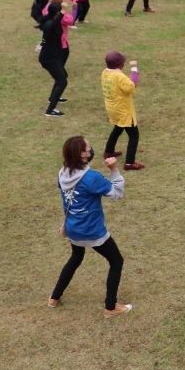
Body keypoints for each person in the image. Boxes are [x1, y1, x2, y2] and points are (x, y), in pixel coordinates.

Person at [50, 135, 131, 316]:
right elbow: (117, 194)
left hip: (73, 228)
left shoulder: (62, 173)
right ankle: (111, 307)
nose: (91, 149)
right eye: (88, 148)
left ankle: (54, 297)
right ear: (81, 155)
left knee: (76, 258)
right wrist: (113, 169)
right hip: (91, 231)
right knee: (116, 261)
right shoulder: (91, 177)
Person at [101, 52, 144, 171]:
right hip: (123, 110)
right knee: (134, 135)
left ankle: (108, 152)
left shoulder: (105, 72)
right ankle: (129, 163)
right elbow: (131, 86)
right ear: (121, 65)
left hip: (112, 108)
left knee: (118, 128)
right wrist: (134, 69)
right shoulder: (119, 76)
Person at [39, 1, 72, 117]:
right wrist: (62, 11)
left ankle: (53, 98)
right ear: (57, 12)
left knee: (62, 76)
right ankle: (50, 110)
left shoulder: (50, 20)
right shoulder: (49, 24)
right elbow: (53, 24)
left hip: (53, 56)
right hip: (48, 58)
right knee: (62, 81)